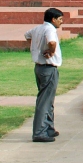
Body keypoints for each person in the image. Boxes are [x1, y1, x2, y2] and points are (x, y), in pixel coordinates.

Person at [24, 8, 64, 143]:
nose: (61, 22)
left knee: (48, 99)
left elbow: (27, 35)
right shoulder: (50, 30)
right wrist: (50, 51)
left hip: (39, 67)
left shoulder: (37, 29)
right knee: (45, 101)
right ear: (53, 19)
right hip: (48, 68)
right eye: (60, 19)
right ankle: (40, 132)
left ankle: (48, 127)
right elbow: (52, 42)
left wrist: (37, 48)